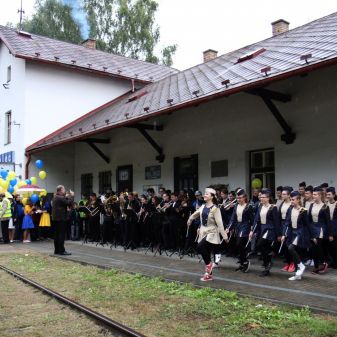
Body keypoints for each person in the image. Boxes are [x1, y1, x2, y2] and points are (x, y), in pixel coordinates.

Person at [187, 187, 228, 282]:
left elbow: (220, 224)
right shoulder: (202, 206)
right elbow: (195, 214)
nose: (204, 195)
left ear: (212, 197)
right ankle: (208, 275)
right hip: (203, 231)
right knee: (206, 251)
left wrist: (225, 236)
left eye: (207, 194)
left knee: (199, 247)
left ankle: (209, 266)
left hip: (212, 233)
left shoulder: (215, 209)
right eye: (205, 193)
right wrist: (190, 219)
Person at [250, 188, 281, 277]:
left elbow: (276, 222)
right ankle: (267, 265)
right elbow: (257, 220)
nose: (261, 198)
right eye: (261, 197)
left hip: (269, 230)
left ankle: (268, 263)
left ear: (268, 198)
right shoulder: (260, 206)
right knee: (264, 248)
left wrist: (279, 234)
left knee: (259, 245)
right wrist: (253, 231)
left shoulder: (273, 207)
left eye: (263, 197)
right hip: (262, 229)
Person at [282, 191, 311, 281]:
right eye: (291, 199)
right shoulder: (290, 209)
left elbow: (307, 224)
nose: (292, 201)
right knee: (295, 253)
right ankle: (297, 274)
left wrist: (311, 236)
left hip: (300, 233)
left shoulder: (303, 211)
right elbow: (287, 222)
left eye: (293, 199)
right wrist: (284, 234)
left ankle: (301, 266)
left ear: (298, 200)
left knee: (291, 248)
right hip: (292, 233)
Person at [227, 189, 254, 272]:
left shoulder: (248, 207)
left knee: (240, 243)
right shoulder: (236, 206)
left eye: (240, 198)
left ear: (245, 198)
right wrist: (228, 228)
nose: (239, 199)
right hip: (238, 226)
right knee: (238, 245)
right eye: (237, 198)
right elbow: (233, 219)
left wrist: (252, 230)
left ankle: (245, 261)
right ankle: (242, 262)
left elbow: (252, 219)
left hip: (245, 226)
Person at [308, 186, 329, 274]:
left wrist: (329, 234)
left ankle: (323, 263)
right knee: (313, 249)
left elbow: (327, 222)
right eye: (313, 194)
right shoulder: (311, 205)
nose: (313, 196)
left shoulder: (325, 207)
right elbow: (309, 218)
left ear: (320, 195)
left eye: (315, 194)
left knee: (318, 247)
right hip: (313, 228)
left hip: (321, 229)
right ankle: (316, 266)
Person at [52, 185, 74, 255]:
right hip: (61, 218)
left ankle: (57, 250)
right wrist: (72, 196)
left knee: (57, 235)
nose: (65, 190)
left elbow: (64, 200)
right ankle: (61, 251)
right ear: (60, 190)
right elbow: (68, 202)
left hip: (56, 219)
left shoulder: (56, 197)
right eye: (64, 189)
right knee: (61, 235)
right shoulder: (59, 197)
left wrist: (67, 196)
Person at [279, 186, 295, 273]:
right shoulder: (282, 203)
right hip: (282, 225)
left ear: (289, 195)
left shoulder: (292, 204)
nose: (282, 195)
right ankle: (288, 262)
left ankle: (293, 263)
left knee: (290, 245)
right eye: (282, 194)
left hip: (290, 226)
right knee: (284, 245)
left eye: (284, 194)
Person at [326, 186, 337, 268]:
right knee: (329, 247)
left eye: (329, 194)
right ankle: (331, 262)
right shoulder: (326, 204)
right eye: (327, 194)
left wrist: (332, 233)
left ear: (334, 195)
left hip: (334, 228)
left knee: (335, 246)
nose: (328, 196)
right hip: (327, 228)